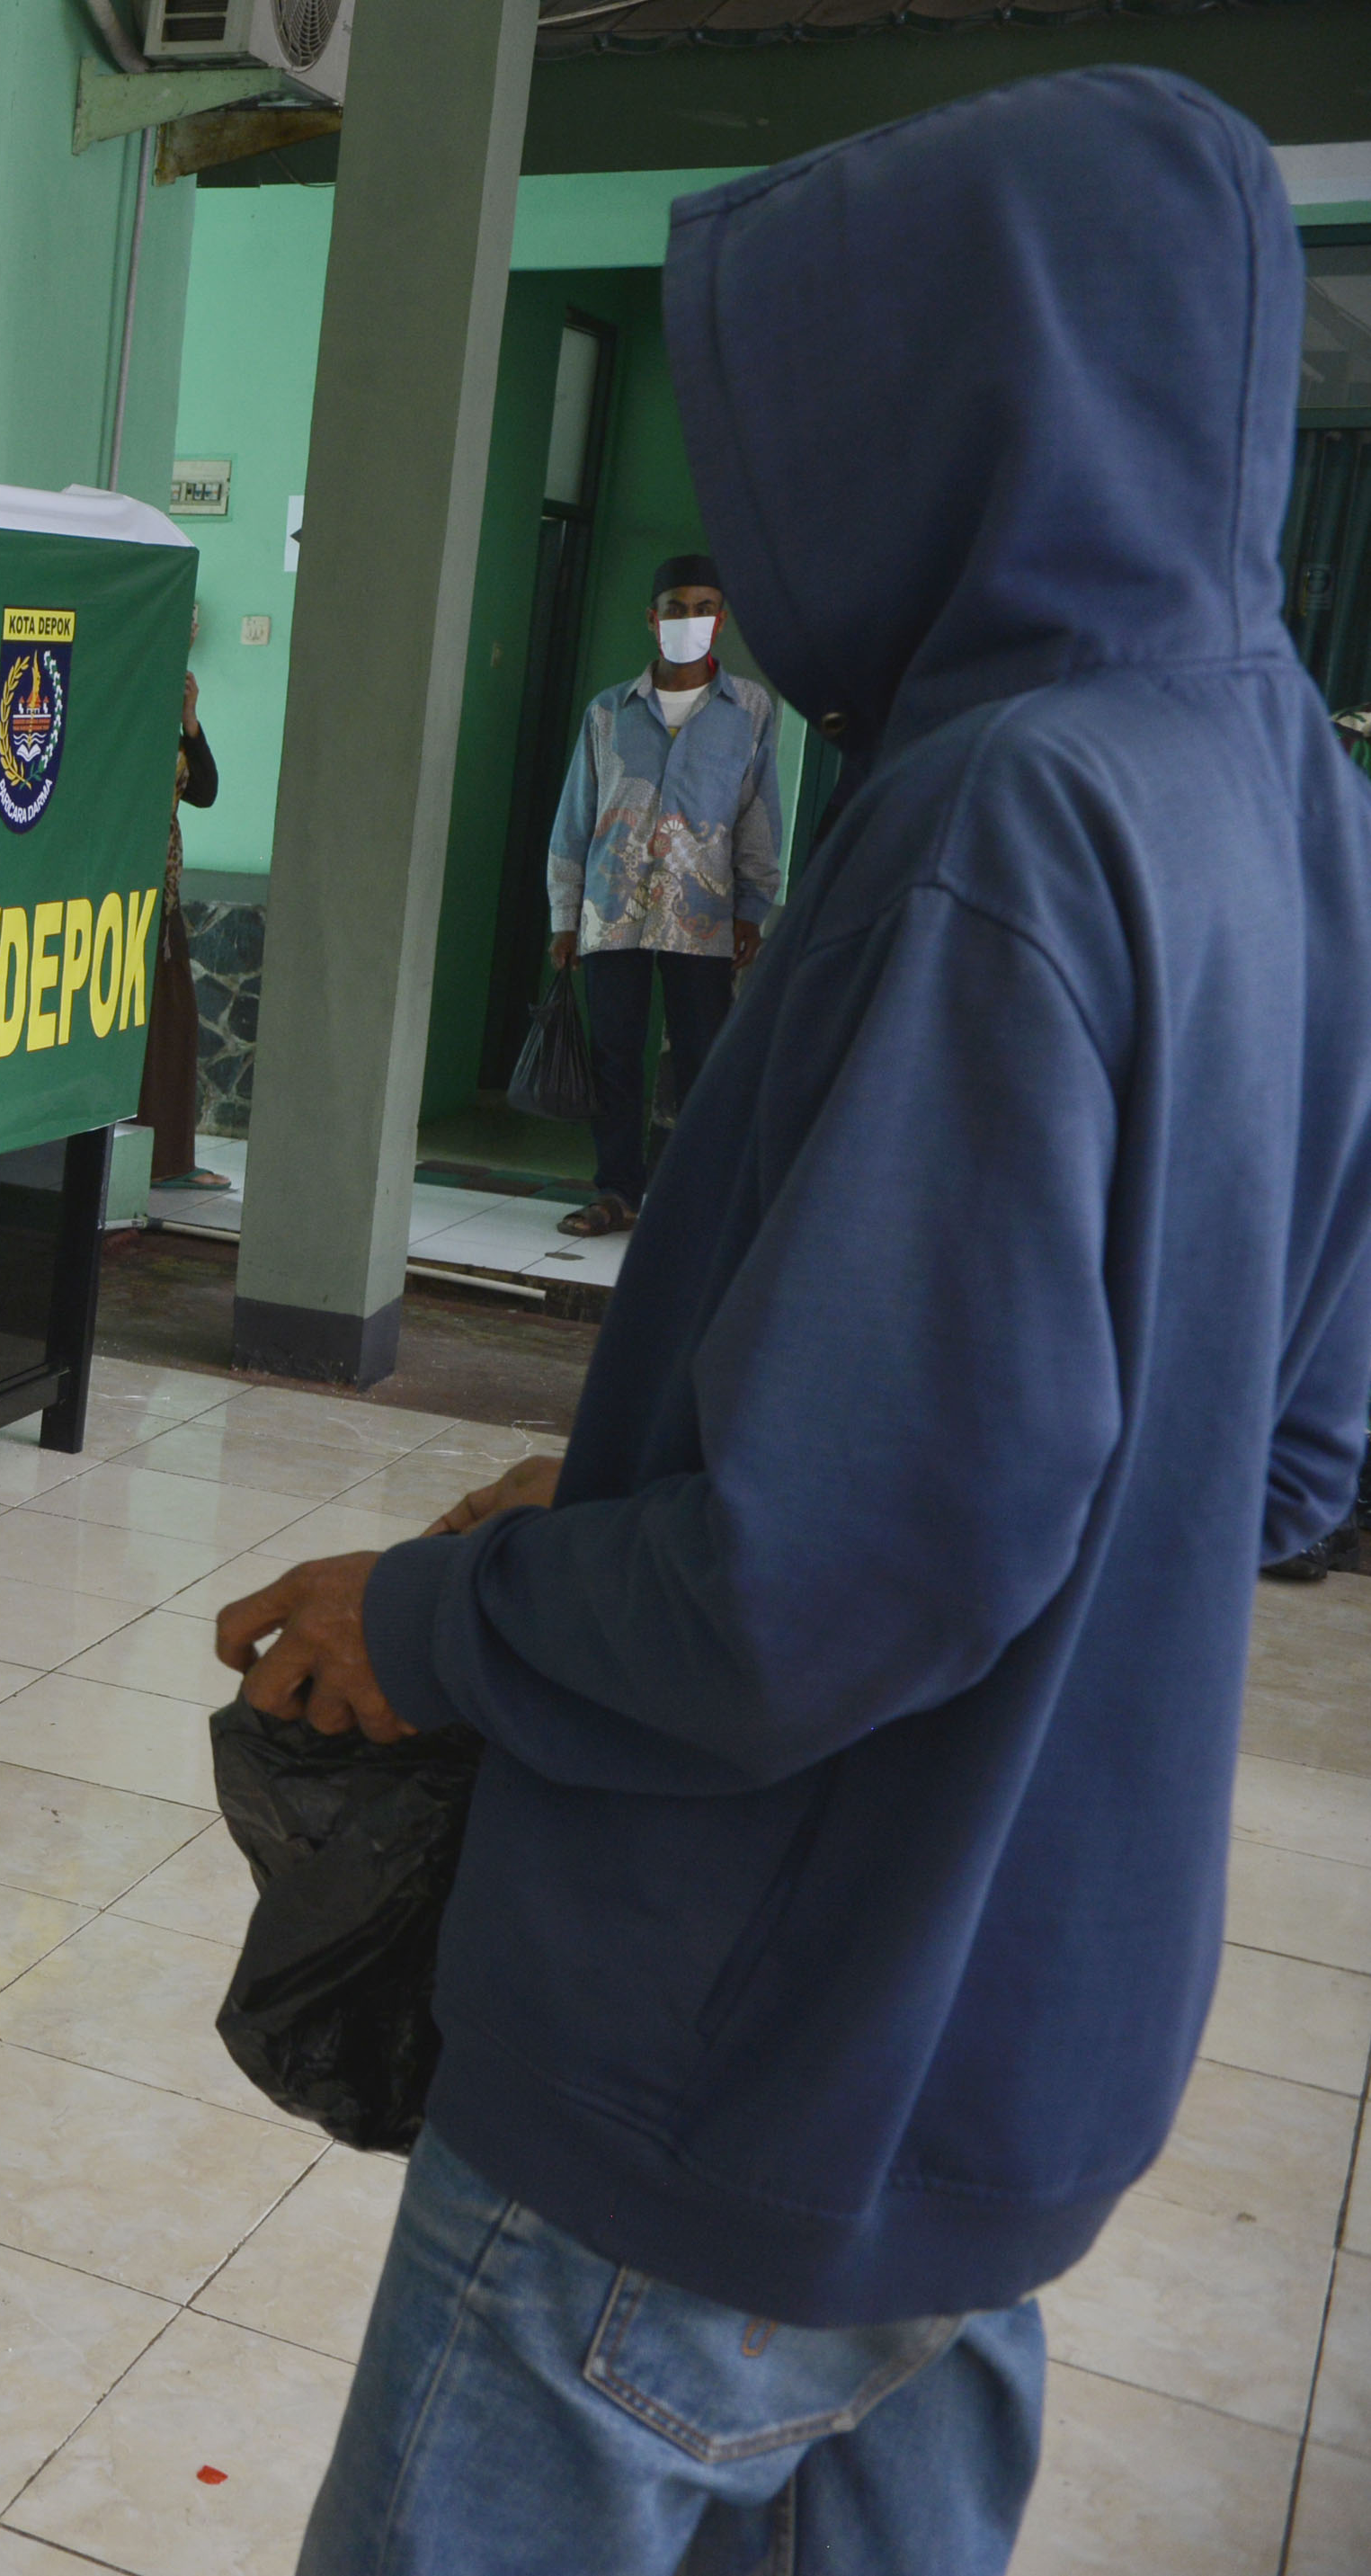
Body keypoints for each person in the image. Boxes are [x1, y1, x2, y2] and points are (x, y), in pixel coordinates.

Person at [214, 67, 1371, 2573]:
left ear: (966, 397)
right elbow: (1276, 1460)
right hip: (1011, 2090)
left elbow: (827, 1581)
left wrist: (429, 1621)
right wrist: (651, 1479)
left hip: (719, 2088)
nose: (751, 524)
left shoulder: (994, 820)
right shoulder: (1278, 775)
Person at [543, 556, 784, 1237]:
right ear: (653, 619)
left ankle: (694, 1197)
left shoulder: (751, 713)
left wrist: (753, 908)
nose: (691, 619)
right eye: (677, 607)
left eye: (705, 605)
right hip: (610, 911)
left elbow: (759, 818)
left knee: (704, 1055)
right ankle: (617, 1191)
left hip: (703, 916)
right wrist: (565, 918)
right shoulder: (607, 712)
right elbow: (574, 821)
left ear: (722, 618)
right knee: (616, 1053)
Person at [140, 665, 228, 1190]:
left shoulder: (170, 734)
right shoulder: (122, 727)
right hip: (121, 899)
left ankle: (167, 1158)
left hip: (161, 901)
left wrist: (190, 720)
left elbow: (206, 792)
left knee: (172, 1027)